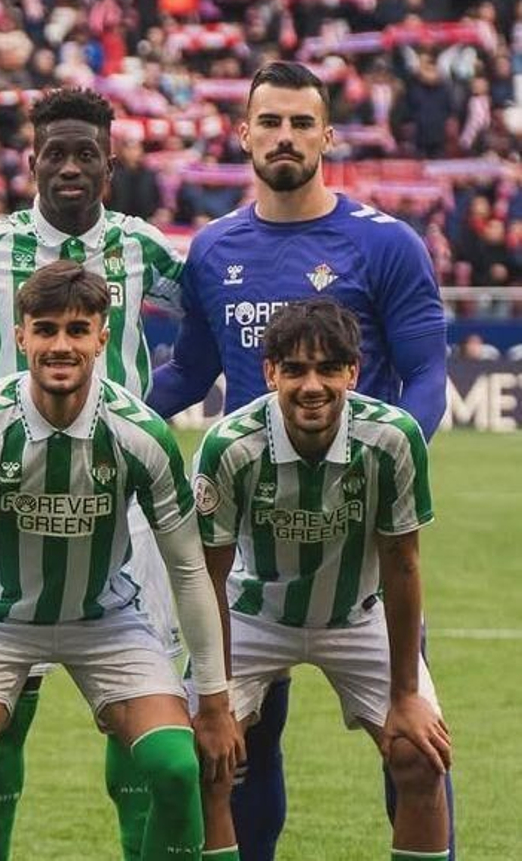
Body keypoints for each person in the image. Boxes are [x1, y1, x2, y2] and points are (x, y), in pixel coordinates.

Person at [148, 60, 452, 861]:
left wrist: (389, 463)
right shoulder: (212, 249)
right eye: (270, 122)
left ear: (327, 135)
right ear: (244, 133)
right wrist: (116, 420)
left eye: (300, 123)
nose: (285, 136)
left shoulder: (385, 244)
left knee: (415, 745)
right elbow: (188, 371)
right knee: (238, 752)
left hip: (358, 532)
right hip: (252, 529)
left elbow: (426, 375)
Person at [0, 262, 240, 860]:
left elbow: (189, 570)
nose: (60, 344)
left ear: (101, 336)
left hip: (107, 622)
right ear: (20, 337)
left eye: (76, 328)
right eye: (45, 329)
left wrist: (215, 702)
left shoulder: (141, 433)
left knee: (174, 768)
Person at [0, 87, 190, 860]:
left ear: (110, 164)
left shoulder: (144, 249)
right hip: (8, 500)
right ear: (31, 162)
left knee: (143, 726)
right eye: (56, 151)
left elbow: (210, 328)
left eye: (86, 152)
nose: (70, 166)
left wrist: (157, 400)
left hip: (123, 502)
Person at [193, 298, 450, 861]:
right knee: (205, 757)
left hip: (358, 614)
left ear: (352, 373)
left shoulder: (393, 438)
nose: (313, 385)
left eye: (329, 368)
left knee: (418, 754)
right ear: (270, 373)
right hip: (252, 615)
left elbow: (403, 564)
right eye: (295, 369)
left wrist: (405, 695)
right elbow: (206, 580)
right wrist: (213, 707)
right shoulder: (229, 446)